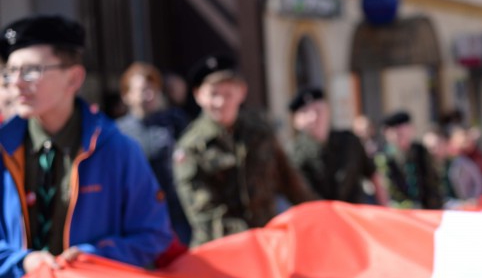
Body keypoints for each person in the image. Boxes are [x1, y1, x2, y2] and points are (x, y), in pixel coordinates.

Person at [0, 15, 174, 278]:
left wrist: (94, 256)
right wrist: (22, 262)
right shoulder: (3, 150)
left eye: (31, 70)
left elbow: (153, 234)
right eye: (10, 72)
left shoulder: (118, 150)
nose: (17, 83)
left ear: (74, 78)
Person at [173, 54, 316, 246]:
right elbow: (204, 213)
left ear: (242, 92)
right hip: (219, 251)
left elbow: (292, 183)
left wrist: (318, 214)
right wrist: (250, 239)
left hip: (267, 244)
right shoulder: (190, 148)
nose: (221, 102)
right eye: (214, 94)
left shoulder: (260, 132)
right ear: (198, 95)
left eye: (228, 94)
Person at [117, 62, 193, 244]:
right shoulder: (118, 132)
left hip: (176, 211)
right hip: (138, 213)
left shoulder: (175, 121)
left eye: (154, 89)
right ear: (127, 95)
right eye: (143, 90)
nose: (149, 95)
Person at [287, 86, 384, 205]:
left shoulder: (350, 141)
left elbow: (373, 174)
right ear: (296, 122)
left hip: (351, 215)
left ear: (327, 110)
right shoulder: (292, 153)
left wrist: (386, 208)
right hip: (317, 218)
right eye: (306, 112)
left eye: (318, 110)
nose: (314, 117)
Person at [374, 110, 442, 209]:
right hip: (401, 212)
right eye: (398, 134)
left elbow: (433, 181)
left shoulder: (421, 151)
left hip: (427, 209)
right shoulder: (384, 158)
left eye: (403, 133)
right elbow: (387, 190)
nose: (401, 138)